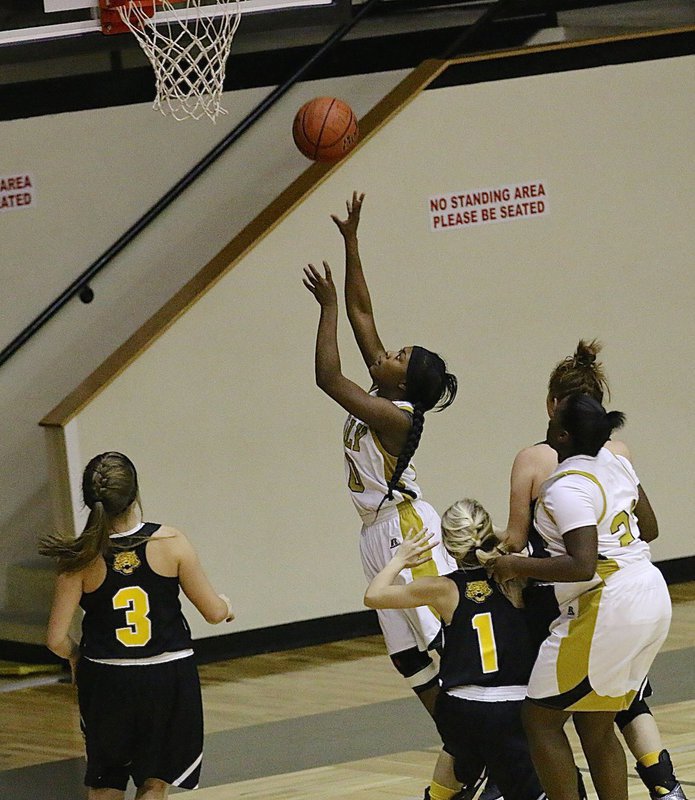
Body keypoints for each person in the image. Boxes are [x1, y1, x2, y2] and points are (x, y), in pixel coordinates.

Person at [303, 191, 474, 800]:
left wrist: (324, 309)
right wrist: (352, 241)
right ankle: (463, 747)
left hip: (408, 531)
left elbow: (328, 377)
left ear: (406, 384)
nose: (387, 352)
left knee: (447, 646)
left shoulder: (396, 418)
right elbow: (364, 312)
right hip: (376, 532)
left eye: (398, 357)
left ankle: (484, 742)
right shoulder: (388, 389)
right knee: (409, 660)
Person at [500, 340, 686, 800]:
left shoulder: (563, 484)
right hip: (650, 593)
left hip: (607, 603)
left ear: (561, 430)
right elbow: (649, 528)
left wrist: (512, 563)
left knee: (539, 720)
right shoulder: (617, 462)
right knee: (597, 723)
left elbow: (582, 564)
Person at [40, 451, 234, 800]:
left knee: (105, 783)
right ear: (135, 493)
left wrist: (76, 657)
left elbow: (55, 638)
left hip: (107, 679)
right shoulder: (170, 542)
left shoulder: (79, 557)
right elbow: (213, 612)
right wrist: (227, 606)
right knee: (154, 781)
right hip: (167, 676)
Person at [364, 499, 547, 800]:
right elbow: (520, 543)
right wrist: (496, 535)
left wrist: (400, 559)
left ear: (447, 549)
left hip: (460, 708)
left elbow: (373, 596)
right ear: (488, 535)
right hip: (510, 707)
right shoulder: (513, 578)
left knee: (456, 750)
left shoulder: (442, 588)